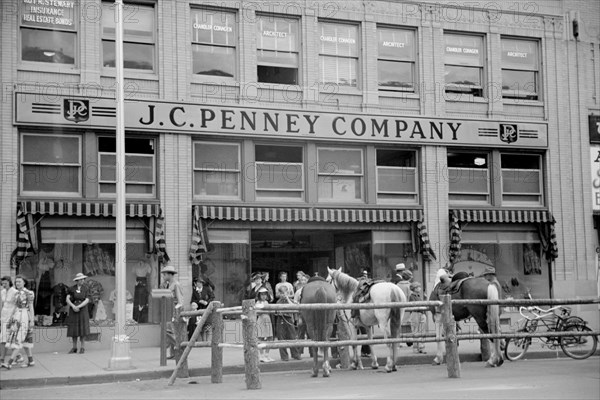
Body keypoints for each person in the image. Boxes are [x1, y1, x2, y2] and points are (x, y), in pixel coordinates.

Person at [3, 275, 35, 369]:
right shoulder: (16, 293)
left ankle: (9, 362)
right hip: (16, 316)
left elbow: (31, 307)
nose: (17, 283)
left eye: (19, 281)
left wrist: (32, 321)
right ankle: (31, 361)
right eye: (16, 282)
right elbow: (15, 307)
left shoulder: (29, 293)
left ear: (24, 282)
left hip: (25, 315)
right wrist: (11, 318)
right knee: (24, 341)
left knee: (19, 339)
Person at [274, 271, 301, 361]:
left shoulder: (291, 300)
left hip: (289, 319)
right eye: (281, 293)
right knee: (281, 338)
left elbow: (293, 307)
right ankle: (284, 356)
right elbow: (276, 312)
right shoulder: (278, 302)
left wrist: (288, 299)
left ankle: (295, 354)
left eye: (285, 293)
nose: (283, 295)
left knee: (292, 337)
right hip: (281, 319)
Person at [160, 263, 183, 360]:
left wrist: (177, 313)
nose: (163, 276)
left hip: (173, 311)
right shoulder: (168, 285)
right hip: (168, 310)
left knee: (169, 331)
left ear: (169, 274)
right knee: (169, 330)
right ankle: (174, 353)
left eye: (164, 274)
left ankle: (180, 348)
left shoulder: (176, 285)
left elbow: (180, 300)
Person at [65, 273, 91, 354]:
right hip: (73, 310)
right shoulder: (71, 288)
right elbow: (67, 299)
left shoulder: (86, 288)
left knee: (82, 328)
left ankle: (82, 347)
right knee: (74, 329)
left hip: (82, 310)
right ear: (77, 280)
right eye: (81, 279)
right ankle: (74, 347)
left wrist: (79, 306)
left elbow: (87, 300)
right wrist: (73, 306)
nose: (82, 280)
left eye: (83, 279)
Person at [1, 276, 19, 368]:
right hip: (3, 316)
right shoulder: (2, 292)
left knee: (6, 338)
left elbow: (17, 306)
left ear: (9, 282)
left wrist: (13, 317)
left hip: (11, 317)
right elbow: (2, 305)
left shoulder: (15, 292)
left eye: (5, 283)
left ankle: (3, 359)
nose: (4, 285)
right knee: (4, 338)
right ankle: (18, 356)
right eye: (2, 283)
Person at [255, 287, 274, 363]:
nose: (264, 296)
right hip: (261, 319)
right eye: (262, 294)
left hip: (267, 319)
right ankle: (261, 355)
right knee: (261, 337)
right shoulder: (258, 303)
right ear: (259, 295)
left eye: (265, 294)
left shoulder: (266, 302)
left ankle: (267, 355)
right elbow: (257, 312)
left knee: (269, 337)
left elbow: (270, 311)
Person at [408, 282, 427, 354]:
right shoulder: (412, 296)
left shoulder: (419, 296)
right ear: (415, 288)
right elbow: (413, 305)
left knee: (422, 331)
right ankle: (415, 348)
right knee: (415, 331)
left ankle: (421, 347)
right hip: (415, 313)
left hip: (421, 313)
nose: (420, 288)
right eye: (418, 287)